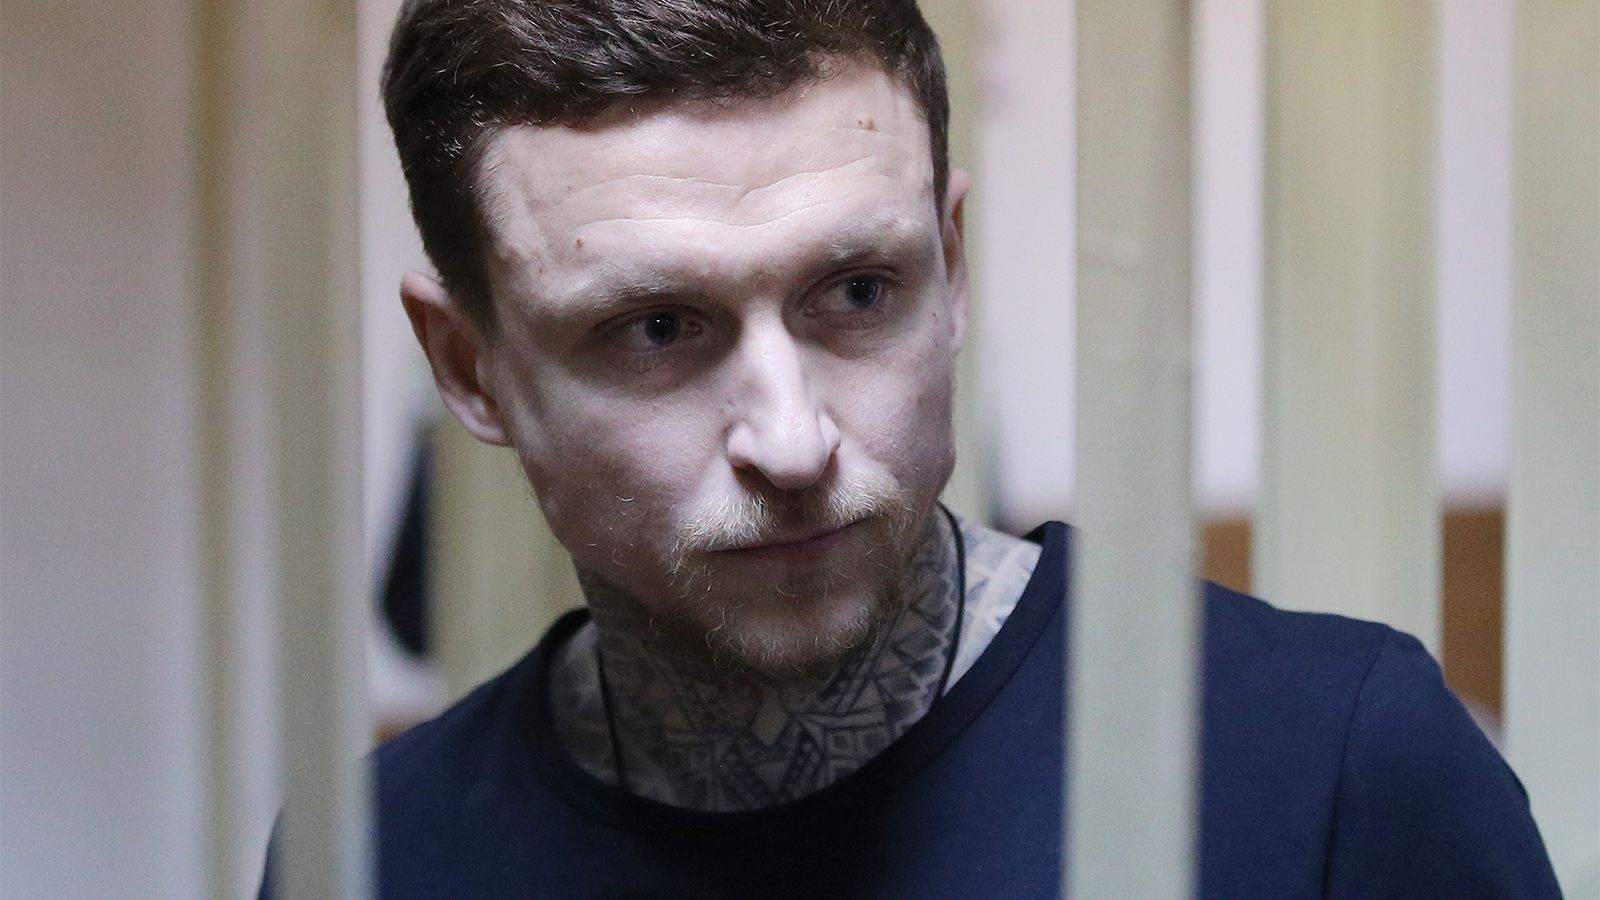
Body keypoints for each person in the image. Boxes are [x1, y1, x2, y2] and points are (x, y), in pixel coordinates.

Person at [263, 0, 1560, 896]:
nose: (792, 443)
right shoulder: (374, 858)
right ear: (470, 370)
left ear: (952, 265)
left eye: (858, 291)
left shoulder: (1337, 769)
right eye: (656, 327)